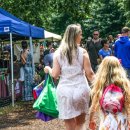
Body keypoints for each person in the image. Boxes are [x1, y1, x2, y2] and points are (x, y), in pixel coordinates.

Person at [44, 24, 95, 130]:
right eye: (80, 35)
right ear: (75, 36)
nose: (81, 37)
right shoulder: (82, 52)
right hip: (81, 90)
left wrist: (48, 69)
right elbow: (90, 74)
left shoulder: (58, 53)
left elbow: (55, 74)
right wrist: (100, 86)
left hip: (65, 91)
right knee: (80, 123)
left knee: (69, 125)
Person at [89, 56, 130, 130]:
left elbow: (93, 105)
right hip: (121, 122)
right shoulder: (124, 84)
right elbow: (127, 104)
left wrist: (91, 119)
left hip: (106, 122)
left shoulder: (101, 85)